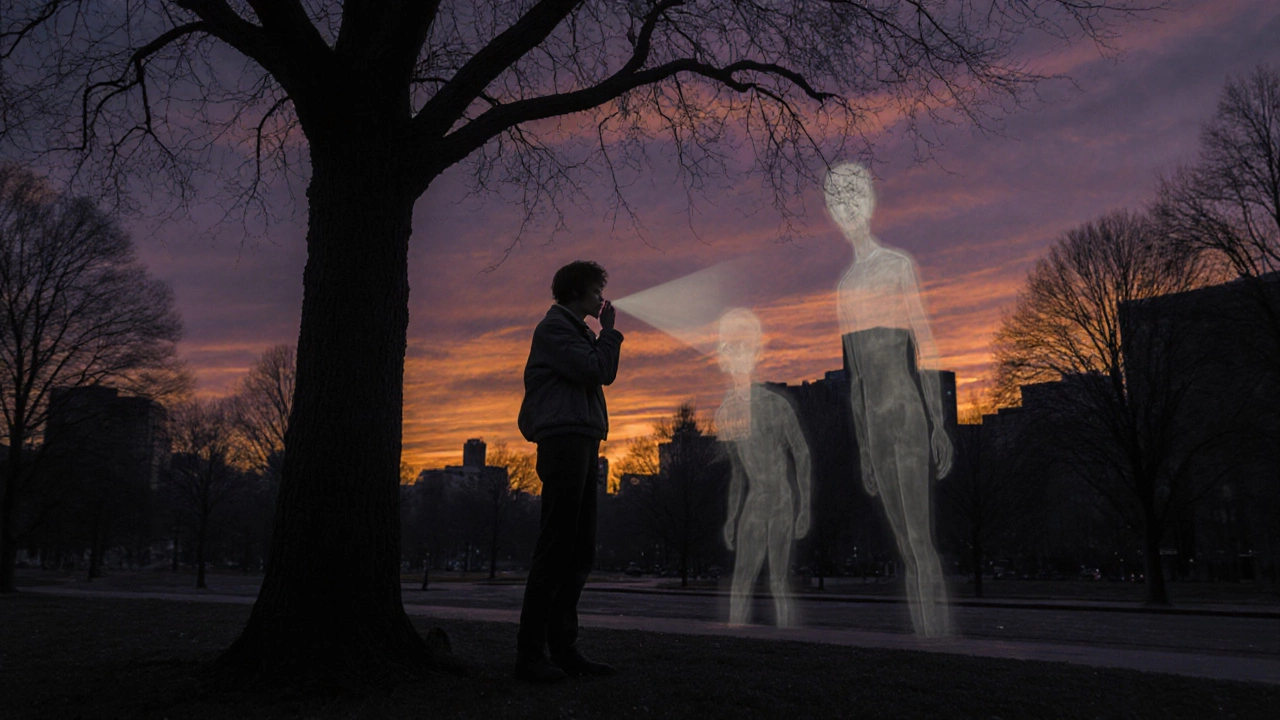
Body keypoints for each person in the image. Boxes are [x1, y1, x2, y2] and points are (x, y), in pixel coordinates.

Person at [826, 162, 954, 638]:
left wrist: (937, 422)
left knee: (920, 539)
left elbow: (926, 345)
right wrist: (862, 446)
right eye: (838, 201)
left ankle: (938, 636)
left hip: (905, 412)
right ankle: (927, 637)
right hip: (875, 424)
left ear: (871, 202)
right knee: (904, 542)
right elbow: (855, 378)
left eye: (855, 196)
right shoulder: (845, 289)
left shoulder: (898, 267)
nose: (848, 208)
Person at [514, 260, 624, 683]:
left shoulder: (575, 332)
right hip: (564, 443)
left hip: (581, 441)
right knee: (557, 548)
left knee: (579, 550)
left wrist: (601, 336)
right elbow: (598, 371)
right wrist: (609, 332)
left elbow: (596, 370)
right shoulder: (555, 329)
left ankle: (563, 649)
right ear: (578, 292)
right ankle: (530, 654)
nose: (602, 299)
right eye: (597, 291)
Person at [715, 309, 812, 628]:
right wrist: (731, 517)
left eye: (743, 346)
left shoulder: (774, 406)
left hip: (781, 500)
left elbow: (802, 453)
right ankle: (736, 633)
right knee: (742, 578)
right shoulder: (727, 412)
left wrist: (804, 507)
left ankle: (786, 635)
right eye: (729, 346)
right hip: (755, 504)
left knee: (779, 580)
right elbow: (738, 473)